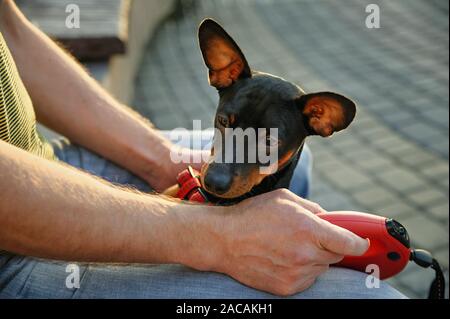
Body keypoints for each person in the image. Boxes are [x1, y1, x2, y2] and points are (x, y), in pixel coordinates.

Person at [0, 0, 405, 298]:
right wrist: (217, 239)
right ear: (222, 73)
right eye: (227, 127)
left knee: (296, 170)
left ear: (321, 119)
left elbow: (10, 31)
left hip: (35, 157)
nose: (220, 171)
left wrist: (161, 159)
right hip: (11, 253)